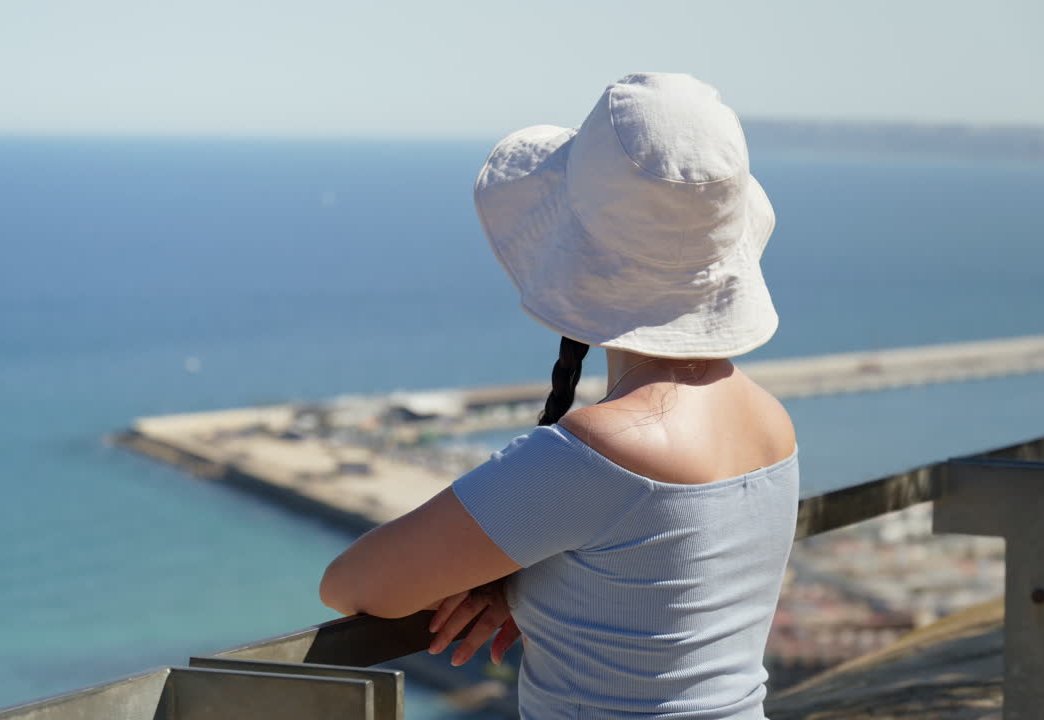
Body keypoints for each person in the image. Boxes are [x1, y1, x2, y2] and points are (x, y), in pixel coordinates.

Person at [320, 72, 800, 720]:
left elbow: (352, 584)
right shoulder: (772, 425)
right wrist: (530, 580)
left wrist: (501, 571)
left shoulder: (596, 454)